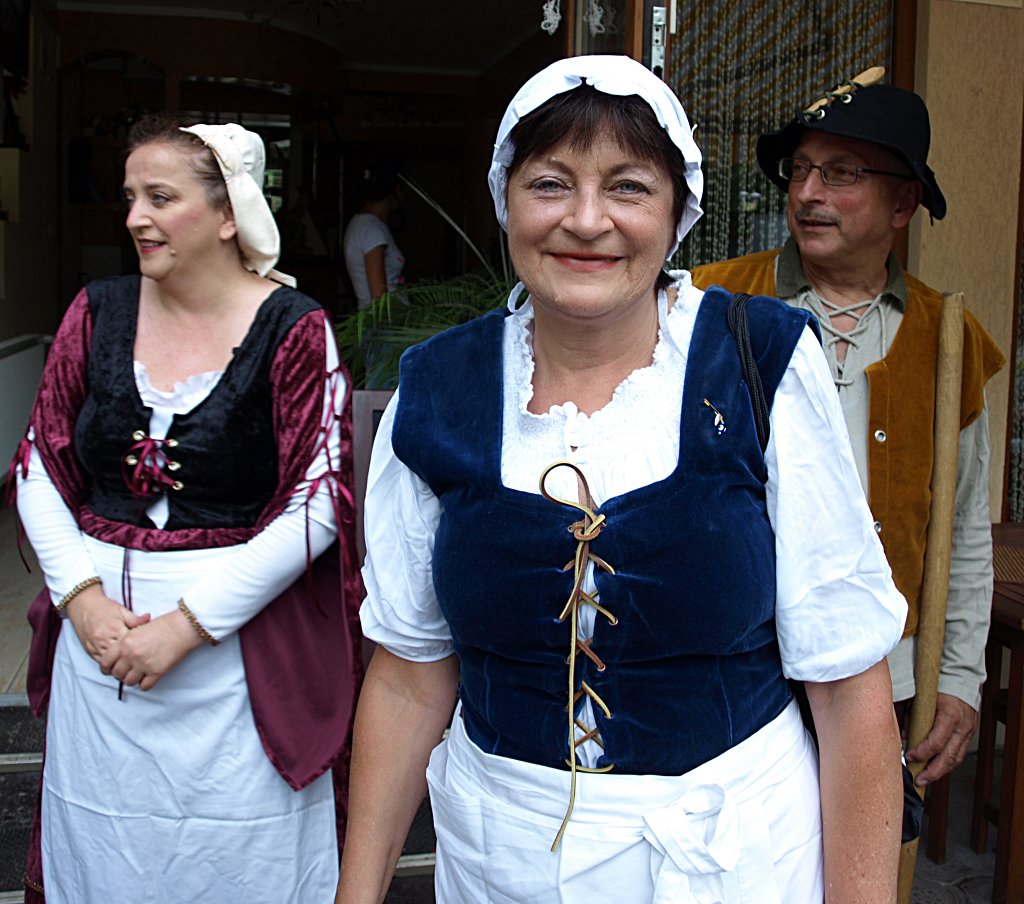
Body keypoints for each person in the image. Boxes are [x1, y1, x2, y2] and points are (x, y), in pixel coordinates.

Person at [337, 55, 909, 903]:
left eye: (630, 187)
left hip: (733, 860)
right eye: (550, 184)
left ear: (679, 211)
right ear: (506, 200)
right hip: (503, 862)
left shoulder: (759, 361)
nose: (587, 220)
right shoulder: (437, 388)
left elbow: (849, 686)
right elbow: (408, 675)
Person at [11, 117, 363, 903]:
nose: (135, 215)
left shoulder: (296, 328)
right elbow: (38, 463)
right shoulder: (96, 313)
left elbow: (320, 499)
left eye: (160, 197)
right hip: (99, 646)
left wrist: (187, 623)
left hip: (236, 647)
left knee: (236, 854)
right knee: (104, 844)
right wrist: (83, 601)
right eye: (133, 197)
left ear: (229, 213)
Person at [691, 69, 1005, 788]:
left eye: (840, 173)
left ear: (904, 202)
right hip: (731, 665)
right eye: (801, 169)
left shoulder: (949, 338)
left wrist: (957, 676)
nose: (807, 193)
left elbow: (961, 531)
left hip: (881, 675)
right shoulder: (710, 302)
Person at [343, 164, 407, 310]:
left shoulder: (364, 224)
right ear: (397, 190)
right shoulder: (372, 229)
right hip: (382, 325)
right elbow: (379, 298)